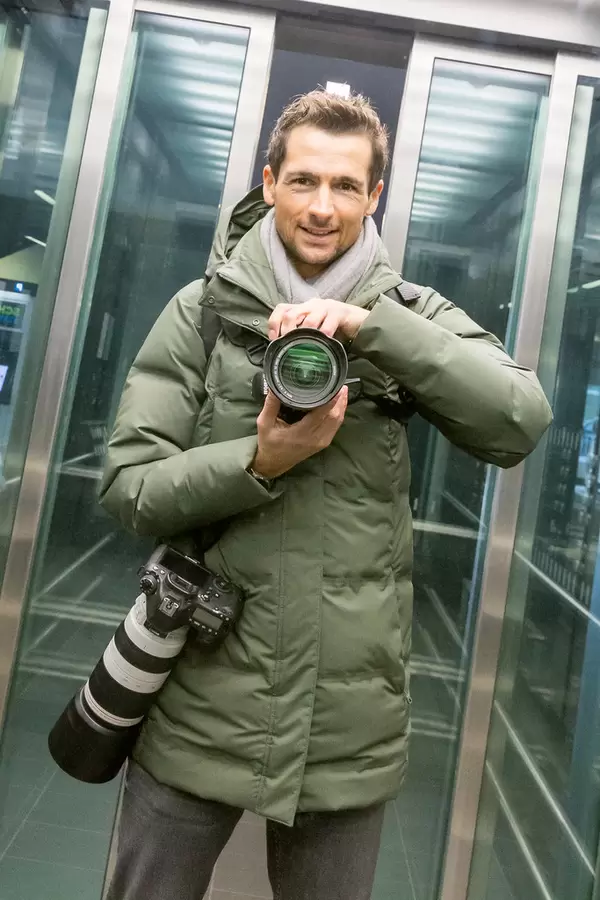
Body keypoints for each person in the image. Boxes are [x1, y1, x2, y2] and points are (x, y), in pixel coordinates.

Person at [100, 90, 552, 900]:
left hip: (348, 730)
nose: (321, 206)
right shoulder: (202, 314)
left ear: (373, 196)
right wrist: (259, 460)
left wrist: (370, 327)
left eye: (346, 185)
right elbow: (129, 489)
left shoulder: (408, 315)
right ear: (270, 182)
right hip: (197, 702)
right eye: (304, 179)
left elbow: (519, 419)